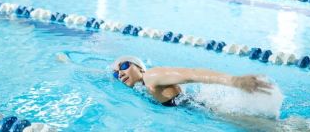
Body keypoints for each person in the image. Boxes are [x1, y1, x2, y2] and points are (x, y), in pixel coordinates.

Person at [111, 56, 273, 107]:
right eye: (116, 73)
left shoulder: (151, 76)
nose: (120, 73)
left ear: (140, 68)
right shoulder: (144, 85)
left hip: (204, 112)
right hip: (195, 110)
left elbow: (192, 74)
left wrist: (234, 81)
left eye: (124, 66)